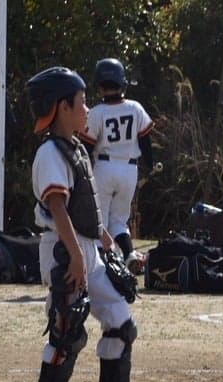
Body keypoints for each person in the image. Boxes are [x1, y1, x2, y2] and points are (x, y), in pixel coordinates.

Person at [21, 67, 142, 382]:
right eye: (81, 102)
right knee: (68, 328)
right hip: (63, 248)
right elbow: (58, 209)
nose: (87, 109)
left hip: (86, 247)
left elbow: (84, 209)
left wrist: (105, 239)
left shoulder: (74, 146)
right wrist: (75, 256)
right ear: (61, 107)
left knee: (122, 323)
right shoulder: (50, 153)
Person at [81, 58, 155, 264]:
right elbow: (145, 141)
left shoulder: (96, 113)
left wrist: (82, 172)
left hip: (104, 167)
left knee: (100, 220)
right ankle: (129, 254)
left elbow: (87, 146)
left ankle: (102, 261)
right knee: (120, 220)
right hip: (129, 168)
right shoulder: (135, 108)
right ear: (122, 82)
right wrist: (149, 165)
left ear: (100, 85)